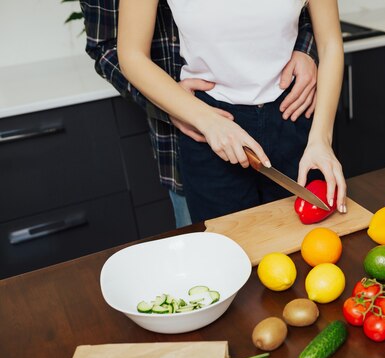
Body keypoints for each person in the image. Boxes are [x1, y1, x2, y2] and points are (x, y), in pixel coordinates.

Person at [80, 0, 320, 227]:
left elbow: (306, 16)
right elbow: (113, 47)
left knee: (300, 240)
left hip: (287, 111)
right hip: (196, 129)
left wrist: (306, 48)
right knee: (217, 251)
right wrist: (180, 106)